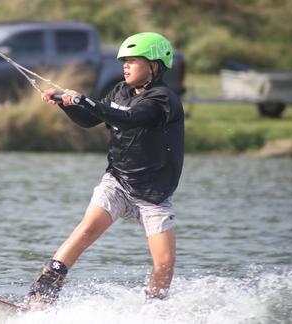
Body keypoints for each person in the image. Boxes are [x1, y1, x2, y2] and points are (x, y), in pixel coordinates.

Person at [25, 32, 185, 309]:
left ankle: (155, 310)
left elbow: (131, 118)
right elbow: (91, 120)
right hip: (118, 181)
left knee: (165, 264)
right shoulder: (119, 91)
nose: (125, 66)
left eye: (133, 61)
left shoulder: (163, 99)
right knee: (86, 230)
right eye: (124, 61)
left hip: (153, 194)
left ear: (155, 66)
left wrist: (84, 100)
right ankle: (40, 296)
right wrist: (66, 102)